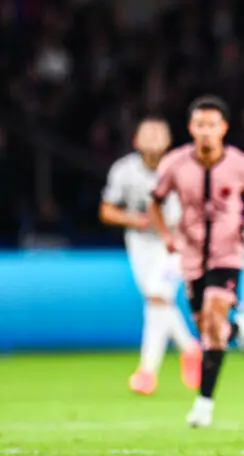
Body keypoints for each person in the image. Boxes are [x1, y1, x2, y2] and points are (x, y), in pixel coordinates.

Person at [150, 96, 244, 427]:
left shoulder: (241, 164)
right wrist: (166, 235)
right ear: (191, 128)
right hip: (191, 255)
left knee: (212, 316)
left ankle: (204, 403)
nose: (205, 131)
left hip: (228, 252)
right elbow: (156, 201)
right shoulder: (175, 163)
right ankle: (237, 329)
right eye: (200, 125)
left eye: (211, 125)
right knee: (209, 329)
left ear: (223, 128)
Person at [100, 116, 202, 395]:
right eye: (148, 134)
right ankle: (189, 347)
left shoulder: (182, 168)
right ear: (136, 140)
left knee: (157, 296)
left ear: (168, 141)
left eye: (159, 135)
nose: (154, 140)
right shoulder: (124, 170)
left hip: (173, 242)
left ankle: (147, 372)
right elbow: (106, 210)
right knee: (157, 301)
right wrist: (136, 220)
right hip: (140, 242)